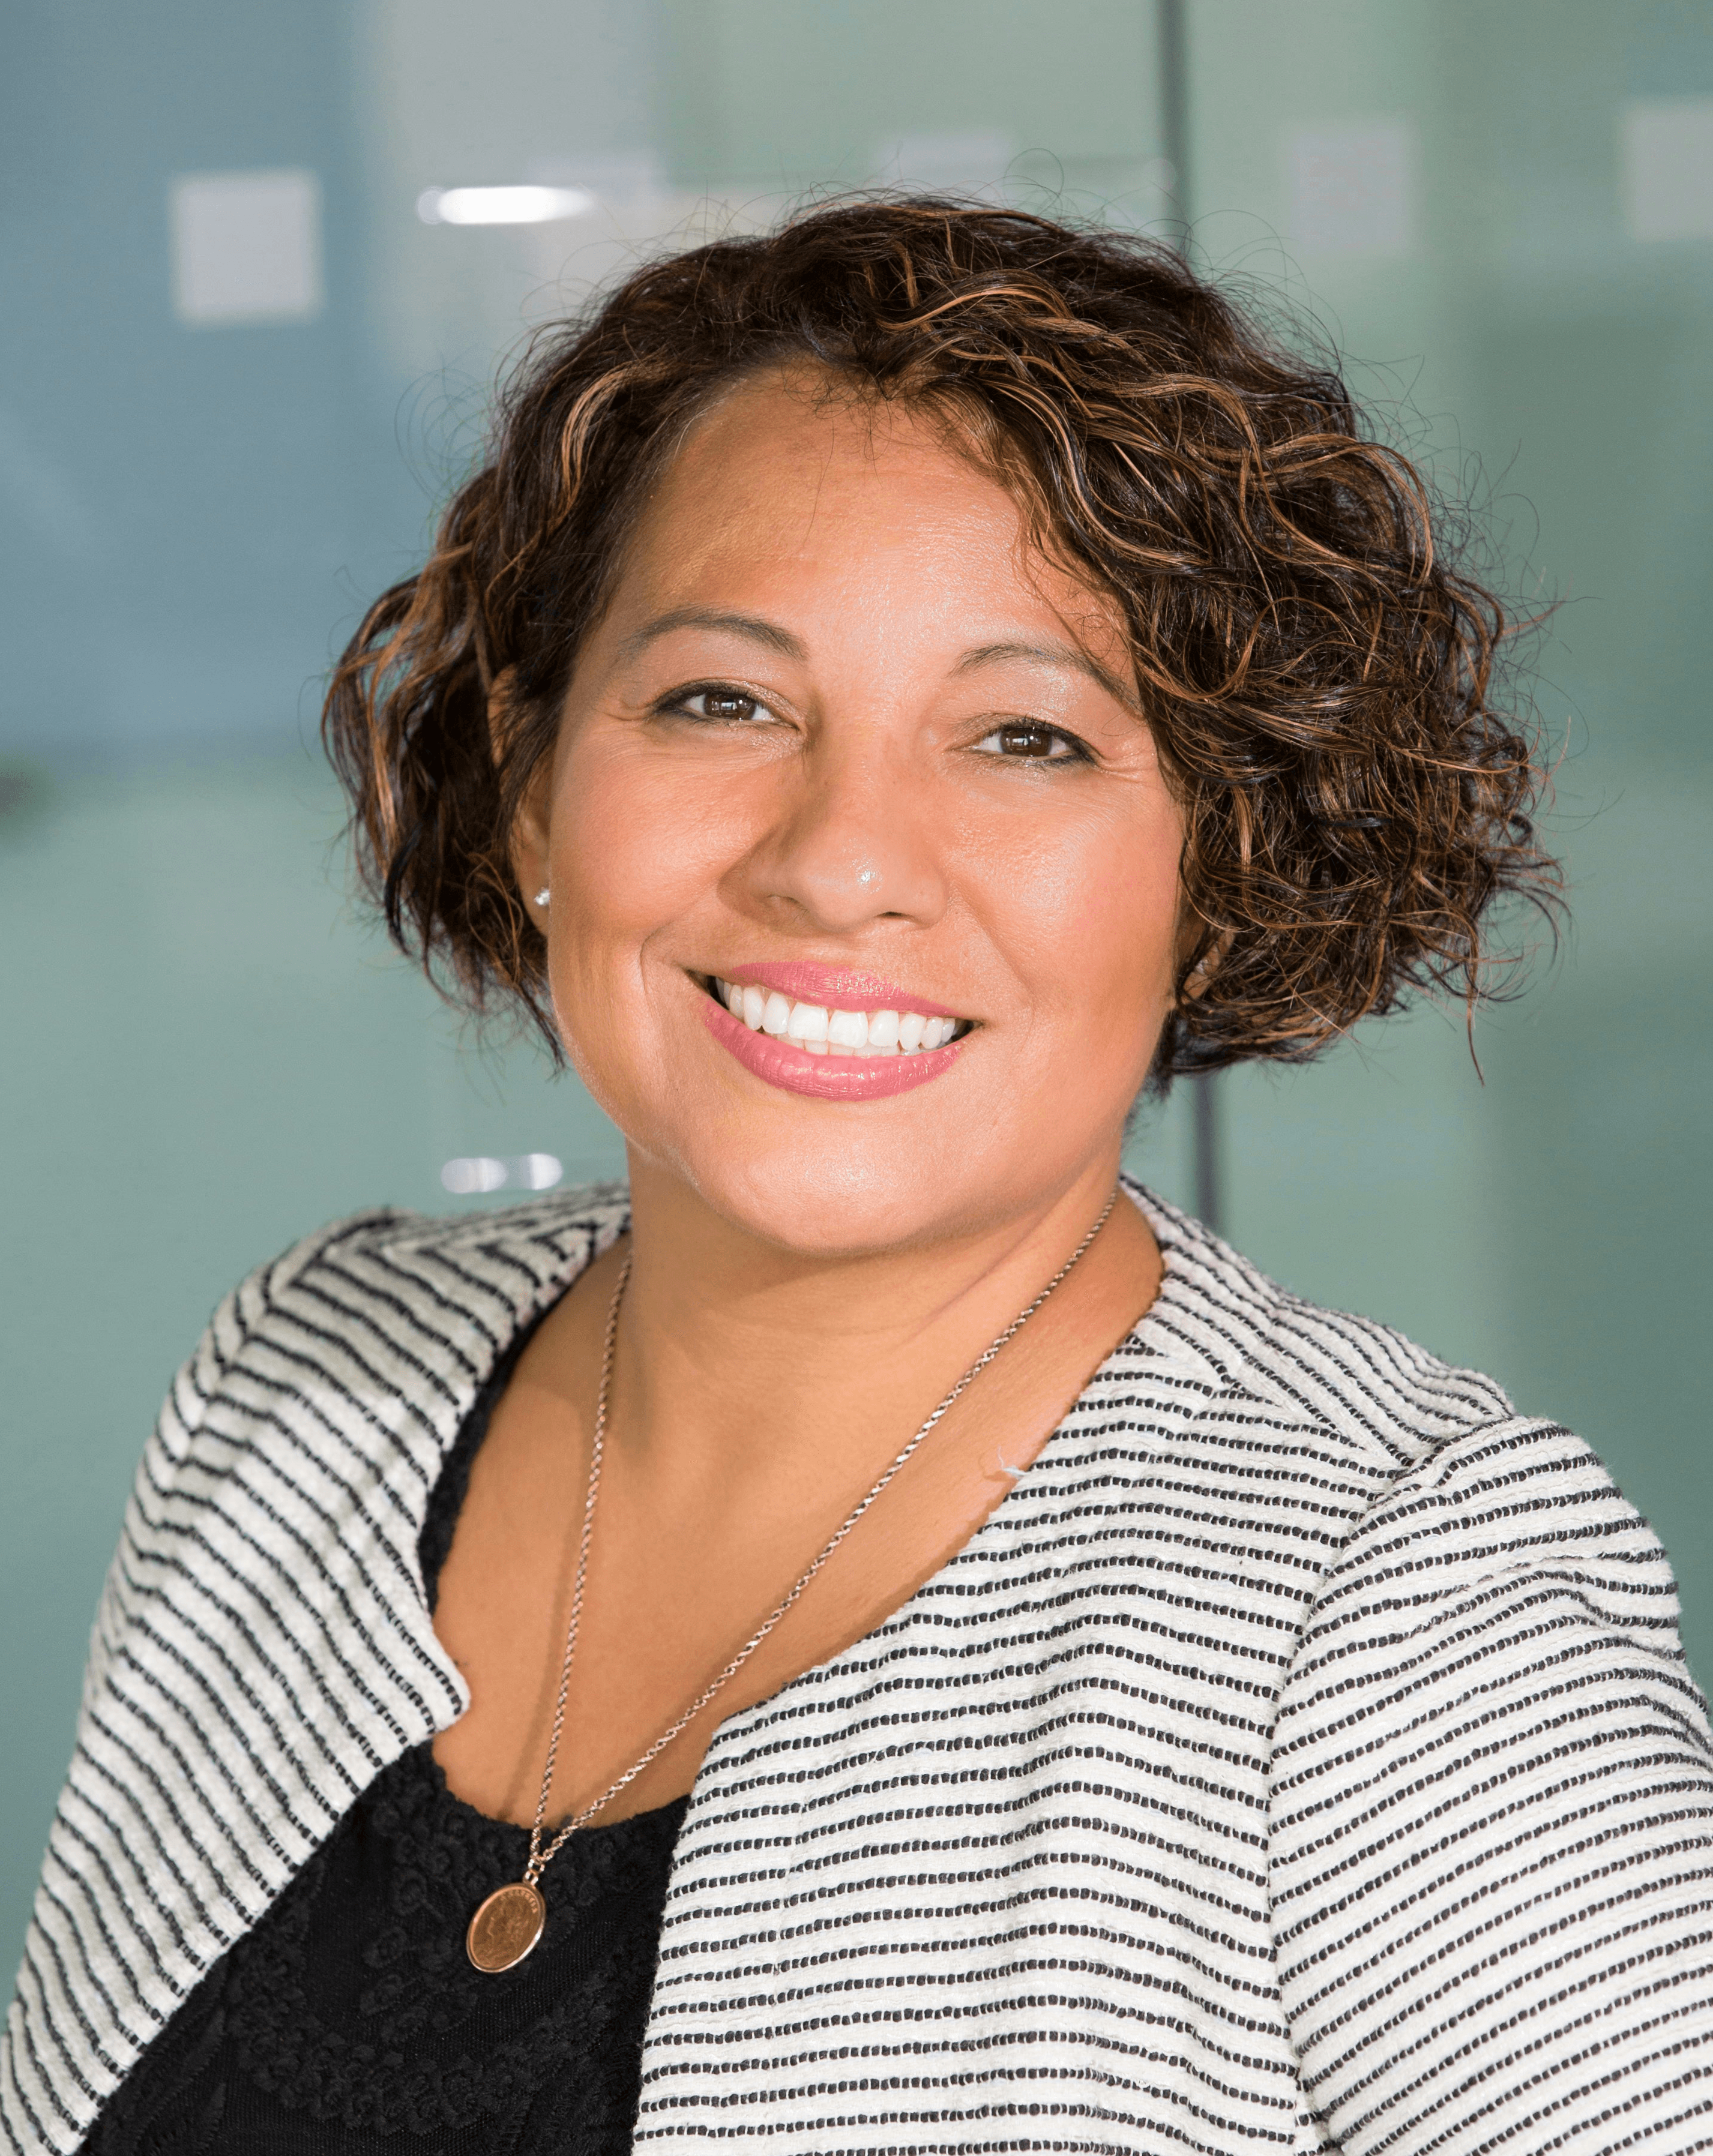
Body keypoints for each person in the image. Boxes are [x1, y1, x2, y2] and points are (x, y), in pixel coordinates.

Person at [7, 199, 1711, 2156]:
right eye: (720, 701)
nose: (838, 858)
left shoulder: (1397, 1612)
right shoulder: (303, 1382)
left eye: (1023, 736)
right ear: (536, 765)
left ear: (1217, 864)